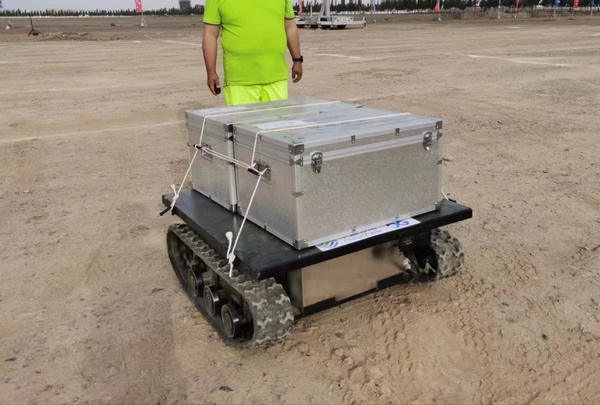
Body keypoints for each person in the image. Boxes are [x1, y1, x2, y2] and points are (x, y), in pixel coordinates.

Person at [202, 0, 304, 106]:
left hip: (276, 76)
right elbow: (210, 34)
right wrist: (211, 72)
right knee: (243, 117)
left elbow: (290, 26)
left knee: (277, 117)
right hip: (239, 80)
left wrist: (297, 60)